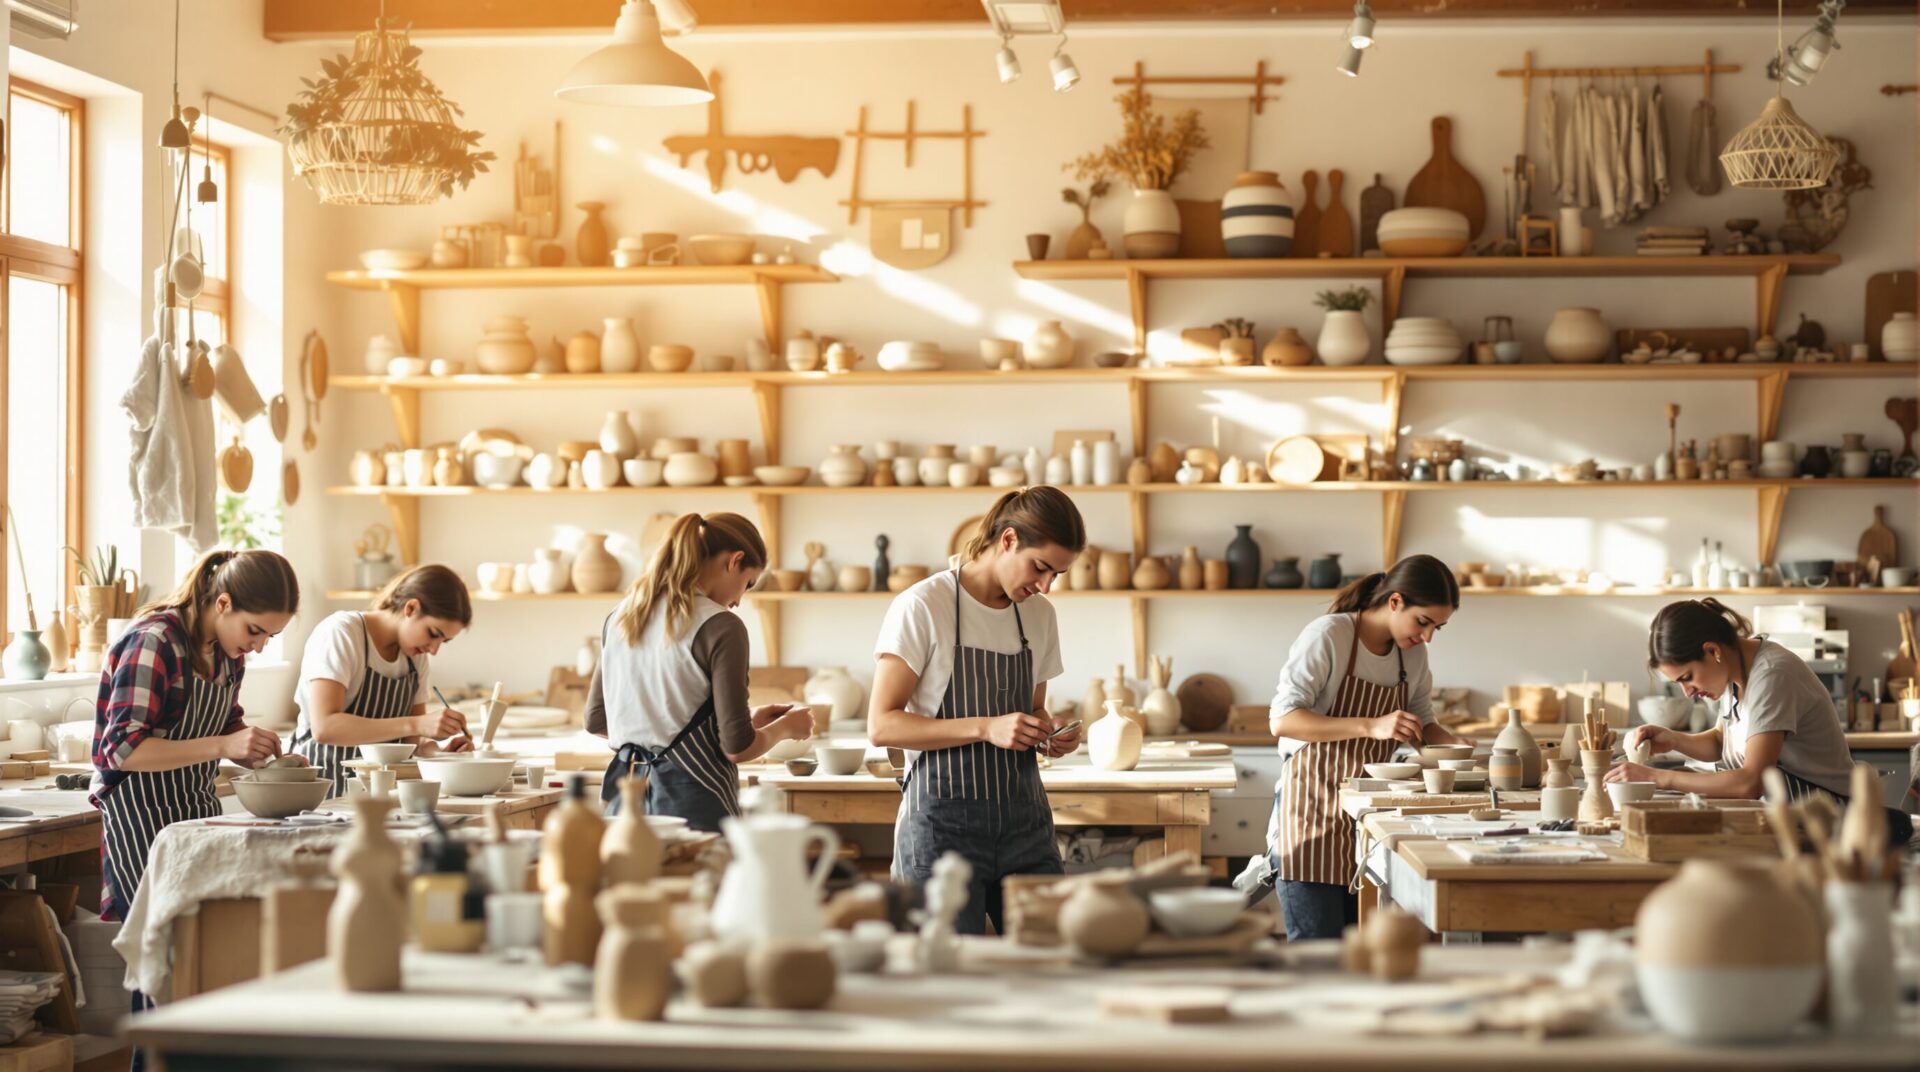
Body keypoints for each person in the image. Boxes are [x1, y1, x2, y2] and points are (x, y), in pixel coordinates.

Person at [92, 548, 298, 1048]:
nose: (261, 647)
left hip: (194, 818)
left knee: (202, 973)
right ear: (222, 603)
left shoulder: (227, 655)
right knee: (163, 981)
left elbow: (222, 723)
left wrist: (250, 747)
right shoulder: (154, 643)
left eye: (271, 636)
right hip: (139, 821)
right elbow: (119, 750)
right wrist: (224, 745)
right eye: (255, 631)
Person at [868, 487, 1086, 935]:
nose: (1045, 586)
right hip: (940, 831)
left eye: (1057, 575)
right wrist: (987, 727)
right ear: (1007, 540)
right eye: (1041, 567)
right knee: (945, 979)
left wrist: (1050, 732)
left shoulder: (1040, 616)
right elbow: (883, 724)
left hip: (1026, 825)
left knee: (1049, 963)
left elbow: (1033, 710)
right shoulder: (923, 606)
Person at [1267, 554, 1468, 941]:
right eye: (1423, 622)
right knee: (1317, 955)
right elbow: (1283, 720)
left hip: (1370, 819)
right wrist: (1371, 726)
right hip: (1310, 813)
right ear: (1395, 602)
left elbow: (1423, 722)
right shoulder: (1330, 635)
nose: (1427, 637)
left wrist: (1452, 743)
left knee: (1361, 954)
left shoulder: (1411, 653)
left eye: (1437, 628)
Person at [1610, 598, 1911, 846]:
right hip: (1784, 809)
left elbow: (1751, 782)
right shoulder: (1734, 672)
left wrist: (1656, 777)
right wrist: (1673, 738)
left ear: (1712, 651)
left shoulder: (1772, 675)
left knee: (1688, 786)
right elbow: (1721, 742)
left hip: (1831, 813)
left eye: (1686, 678)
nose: (1687, 693)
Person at [585, 513, 812, 830]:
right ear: (734, 561)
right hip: (691, 802)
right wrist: (787, 727)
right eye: (747, 584)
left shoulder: (621, 615)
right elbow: (738, 748)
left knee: (631, 879)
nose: (738, 601)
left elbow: (597, 721)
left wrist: (743, 723)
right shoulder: (721, 626)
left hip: (626, 800)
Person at [291, 564, 474, 795]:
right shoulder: (341, 633)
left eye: (443, 641)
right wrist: (418, 723)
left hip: (381, 796)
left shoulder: (415, 657)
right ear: (411, 608)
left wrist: (440, 753)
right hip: (321, 792)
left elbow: (411, 746)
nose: (434, 649)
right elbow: (325, 727)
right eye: (433, 634)